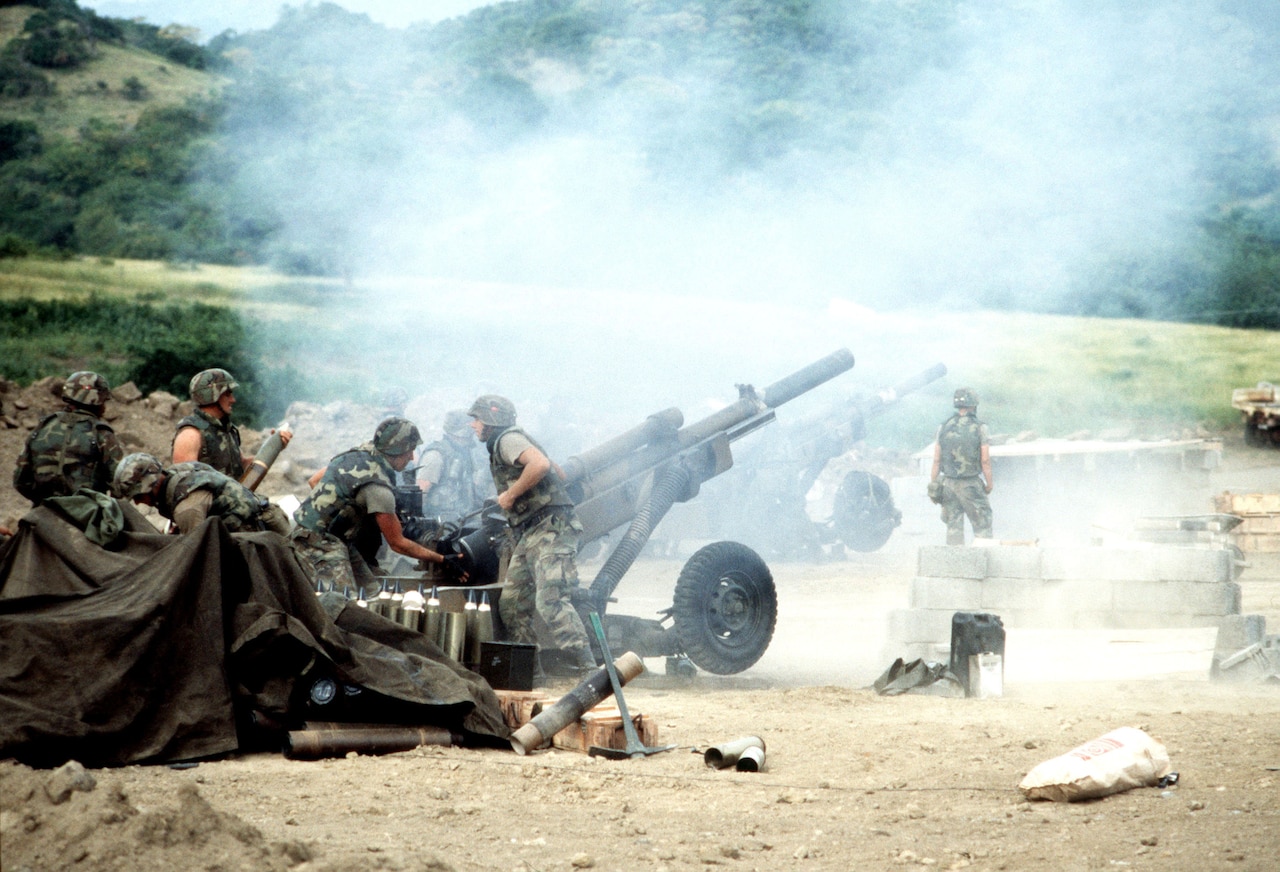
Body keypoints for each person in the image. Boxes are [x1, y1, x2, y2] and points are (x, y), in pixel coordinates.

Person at [468, 394, 596, 673]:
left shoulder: (506, 440)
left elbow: (540, 465)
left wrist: (511, 494)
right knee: (512, 604)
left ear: (491, 421)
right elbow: (558, 474)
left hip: (552, 527)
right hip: (532, 530)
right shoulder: (513, 440)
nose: (473, 425)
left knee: (551, 600)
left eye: (476, 419)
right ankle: (530, 672)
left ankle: (589, 669)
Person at [291, 417, 462, 597]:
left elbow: (315, 480)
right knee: (343, 602)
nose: (412, 457)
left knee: (372, 592)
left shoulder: (359, 454)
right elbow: (398, 544)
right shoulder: (378, 489)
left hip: (336, 539)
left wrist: (343, 514)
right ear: (398, 450)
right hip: (316, 542)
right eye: (410, 451)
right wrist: (442, 560)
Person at [111, 453, 291, 535]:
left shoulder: (186, 508)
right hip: (268, 520)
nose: (137, 503)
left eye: (138, 496)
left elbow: (199, 557)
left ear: (148, 486)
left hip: (260, 538)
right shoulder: (181, 471)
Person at [13, 371, 124, 505]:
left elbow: (20, 481)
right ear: (95, 400)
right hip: (87, 519)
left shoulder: (43, 427)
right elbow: (117, 487)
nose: (105, 407)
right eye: (104, 401)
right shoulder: (102, 434)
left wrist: (45, 502)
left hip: (43, 515)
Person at [172, 368, 291, 480]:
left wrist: (273, 446)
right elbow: (184, 483)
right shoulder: (190, 434)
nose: (233, 400)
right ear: (212, 396)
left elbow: (241, 467)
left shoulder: (226, 430)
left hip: (233, 500)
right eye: (228, 394)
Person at [929, 387, 993, 546]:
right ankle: (982, 565)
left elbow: (936, 460)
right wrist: (989, 483)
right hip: (970, 484)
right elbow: (985, 461)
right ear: (973, 405)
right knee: (982, 526)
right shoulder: (980, 427)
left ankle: (955, 565)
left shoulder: (943, 427)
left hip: (948, 484)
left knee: (953, 528)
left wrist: (934, 484)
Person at [416, 409, 489, 520]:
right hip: (440, 521)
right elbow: (421, 491)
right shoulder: (436, 455)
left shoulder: (465, 452)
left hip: (464, 517)